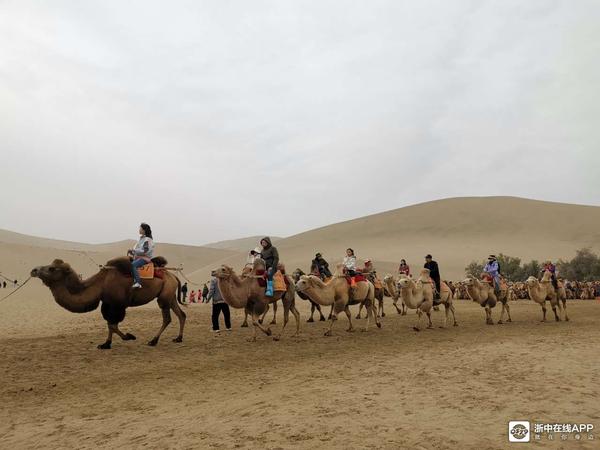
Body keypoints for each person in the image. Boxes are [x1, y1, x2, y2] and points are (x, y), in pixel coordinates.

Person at [127, 223, 154, 289]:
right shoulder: (142, 239)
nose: (139, 230)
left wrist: (133, 251)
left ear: (144, 230)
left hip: (145, 258)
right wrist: (132, 252)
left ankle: (138, 282)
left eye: (140, 228)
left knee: (133, 265)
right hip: (138, 257)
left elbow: (145, 250)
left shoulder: (147, 240)